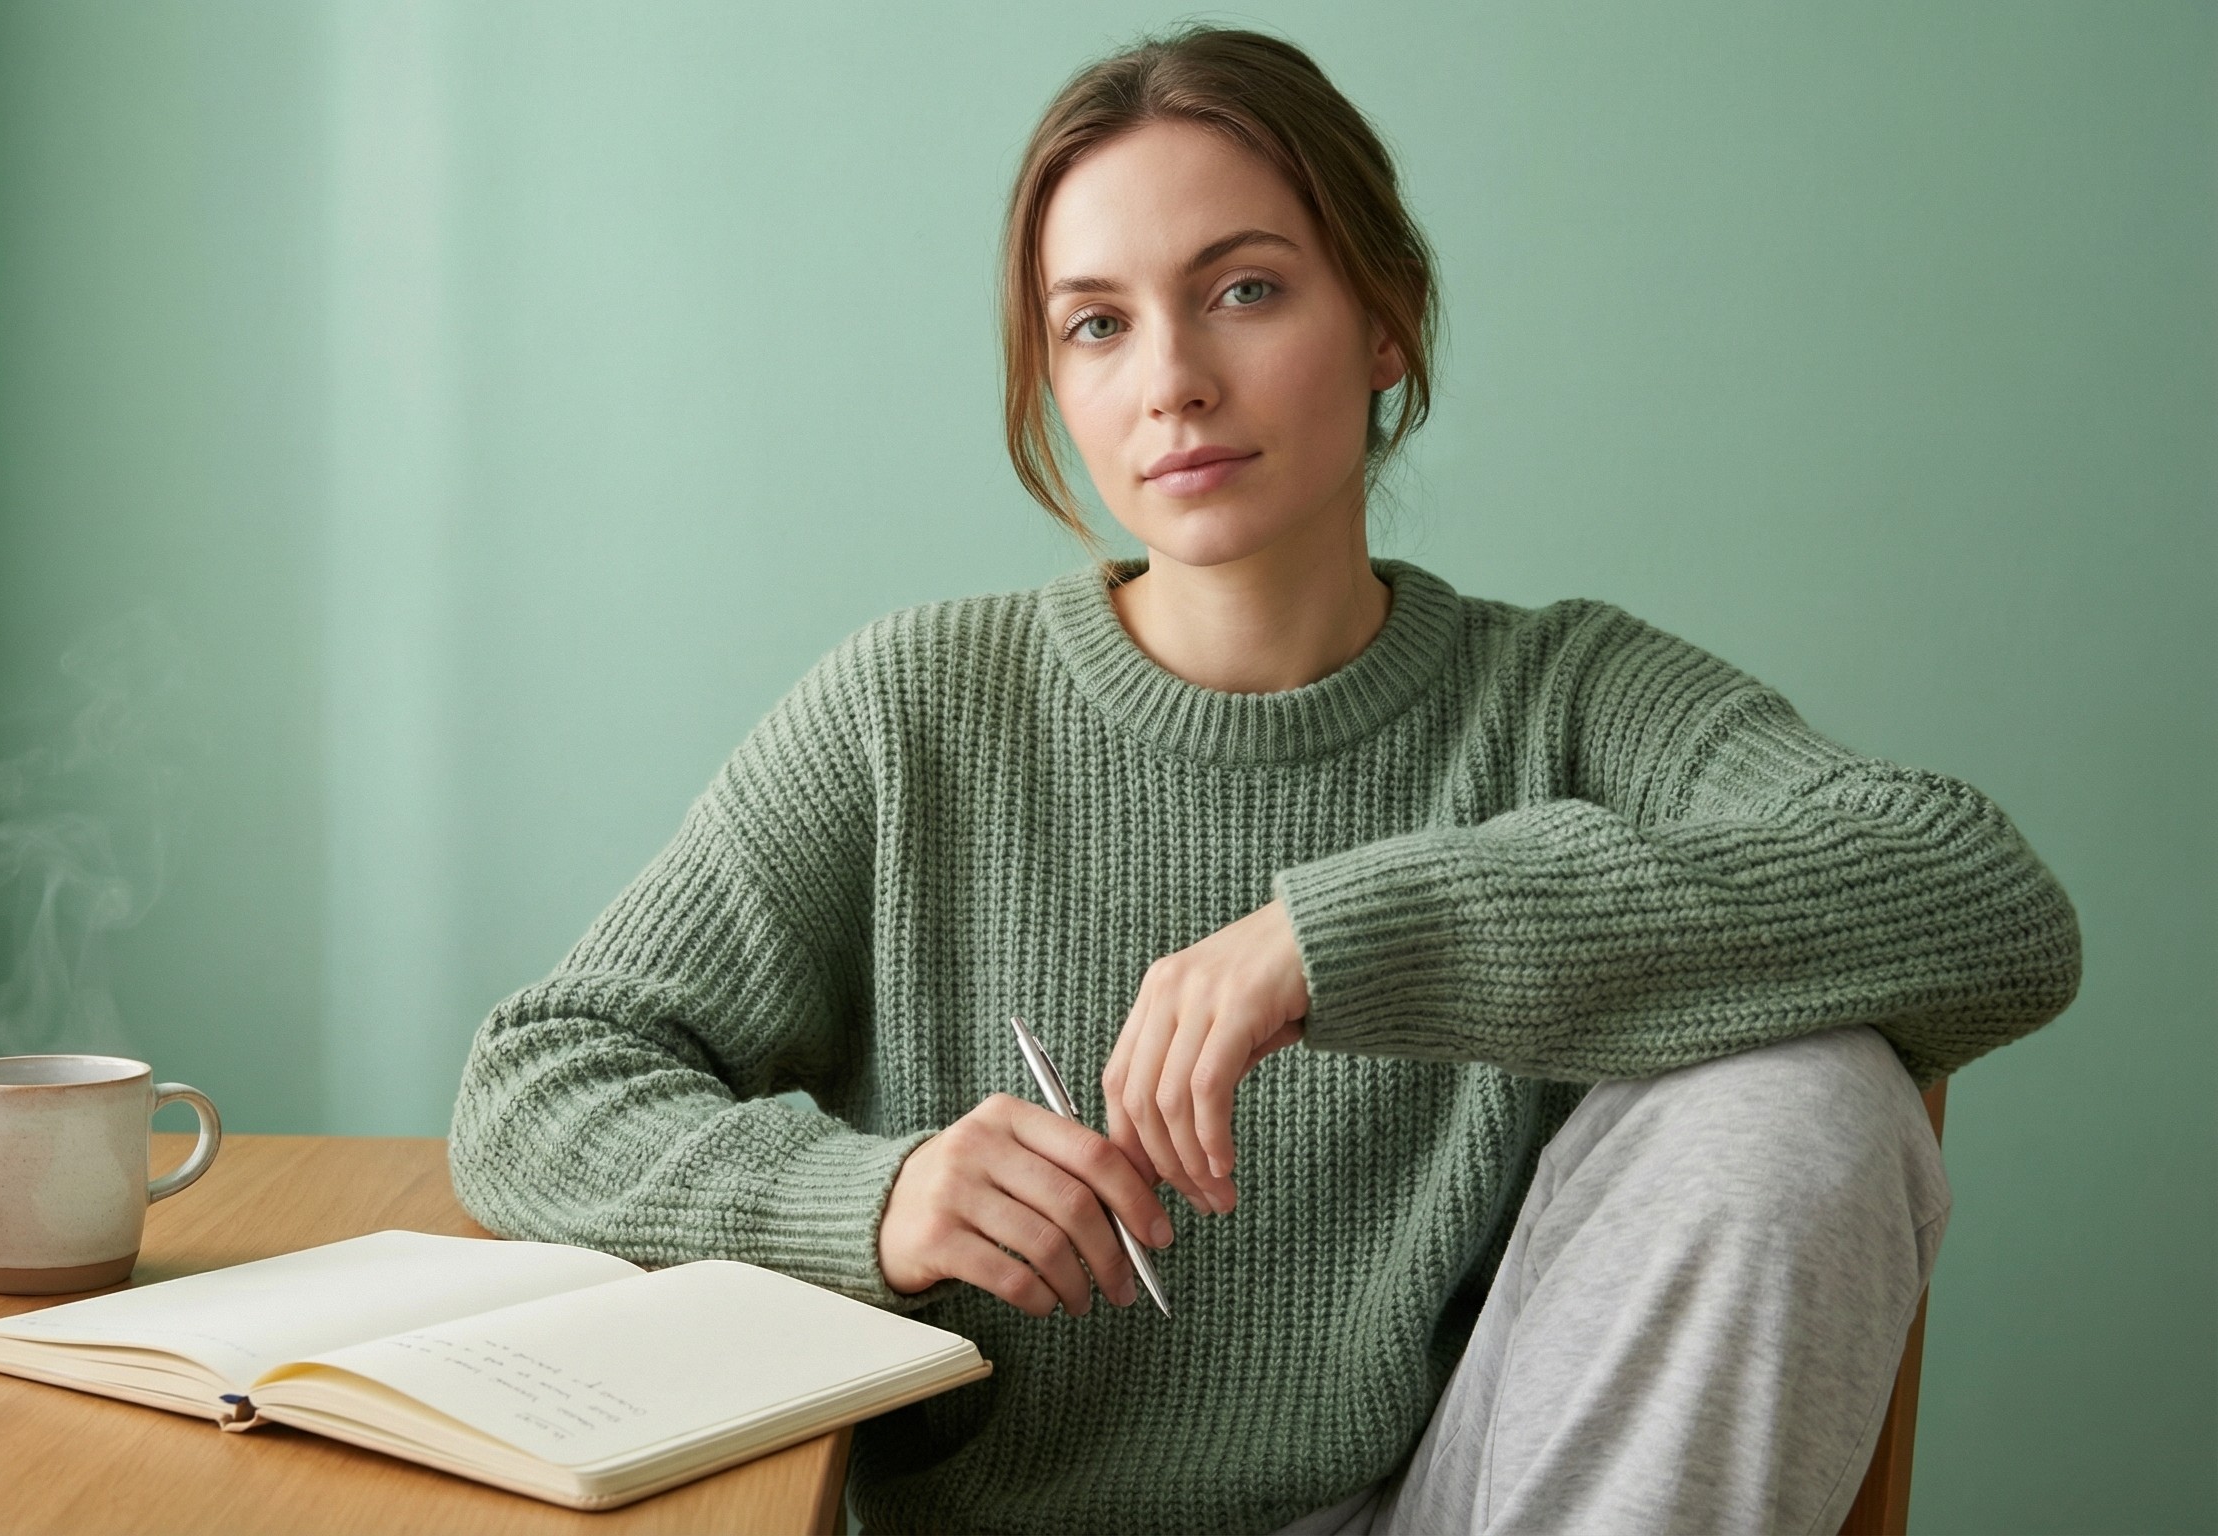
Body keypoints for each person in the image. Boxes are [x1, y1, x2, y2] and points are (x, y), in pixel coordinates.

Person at [447, 24, 2082, 1536]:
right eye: (1096, 323)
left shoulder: (1566, 696)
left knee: (1810, 1100)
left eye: (1242, 290)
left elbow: (1983, 899)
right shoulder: (914, 711)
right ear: (1057, 387)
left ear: (1386, 322)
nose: (1172, 377)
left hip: (1460, 1502)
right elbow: (537, 1085)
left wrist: (1342, 938)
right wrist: (872, 1198)